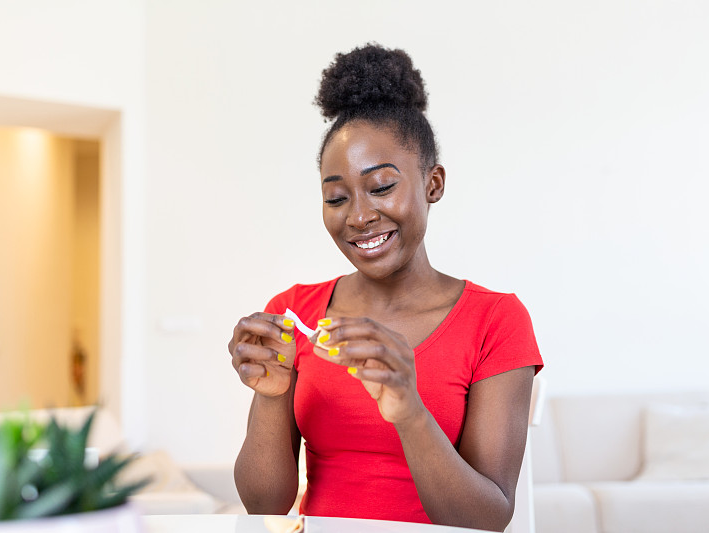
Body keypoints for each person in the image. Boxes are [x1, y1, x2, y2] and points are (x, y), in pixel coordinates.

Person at [229, 43, 543, 531]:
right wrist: (273, 394)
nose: (357, 216)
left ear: (433, 183)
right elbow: (265, 507)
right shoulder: (294, 312)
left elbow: (489, 519)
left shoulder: (496, 320)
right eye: (336, 197)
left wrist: (411, 412)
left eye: (380, 187)